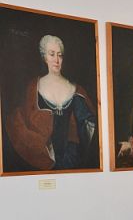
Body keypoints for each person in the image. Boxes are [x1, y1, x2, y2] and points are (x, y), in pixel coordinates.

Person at [6, 34, 97, 170]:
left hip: (71, 158)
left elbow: (87, 125)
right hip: (42, 158)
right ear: (45, 57)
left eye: (60, 55)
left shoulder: (75, 89)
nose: (56, 60)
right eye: (52, 54)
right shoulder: (34, 87)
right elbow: (25, 120)